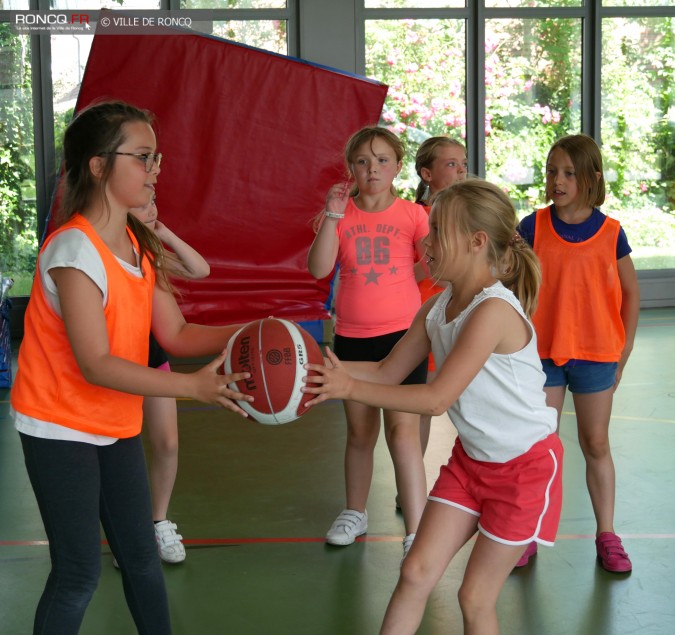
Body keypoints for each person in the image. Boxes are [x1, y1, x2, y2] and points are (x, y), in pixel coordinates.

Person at [10, 100, 253, 634]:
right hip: (58, 426)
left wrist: (252, 333)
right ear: (98, 166)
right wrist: (192, 384)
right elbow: (96, 363)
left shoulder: (136, 243)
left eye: (156, 158)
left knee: (141, 559)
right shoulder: (74, 248)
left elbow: (176, 334)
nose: (155, 170)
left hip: (113, 422)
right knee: (77, 574)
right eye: (143, 157)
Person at [303, 179, 563, 635]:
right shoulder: (436, 308)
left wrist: (346, 388)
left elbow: (436, 398)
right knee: (416, 573)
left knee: (474, 597)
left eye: (439, 230)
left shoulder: (493, 311)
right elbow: (386, 371)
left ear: (476, 242)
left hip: (523, 470)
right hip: (472, 465)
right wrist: (322, 369)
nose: (427, 240)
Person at [517, 133, 640, 572]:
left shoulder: (611, 232)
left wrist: (620, 355)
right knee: (539, 447)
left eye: (568, 172)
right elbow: (513, 285)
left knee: (595, 443)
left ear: (591, 178)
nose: (557, 180)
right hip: (542, 356)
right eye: (552, 171)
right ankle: (526, 532)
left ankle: (607, 534)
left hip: (596, 355)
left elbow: (630, 295)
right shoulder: (532, 227)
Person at [307, 126, 429, 557]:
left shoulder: (413, 215)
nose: (372, 168)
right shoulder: (341, 216)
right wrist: (334, 216)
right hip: (352, 339)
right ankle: (355, 512)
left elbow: (435, 261)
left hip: (404, 338)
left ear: (398, 166)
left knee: (403, 432)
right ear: (351, 168)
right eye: (362, 161)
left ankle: (416, 527)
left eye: (381, 160)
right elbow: (319, 269)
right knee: (360, 433)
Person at [128, 197, 210, 564]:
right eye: (143, 203)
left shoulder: (149, 252)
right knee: (120, 451)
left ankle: (157, 521)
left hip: (152, 359)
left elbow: (200, 269)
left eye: (155, 200)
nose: (153, 206)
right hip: (113, 364)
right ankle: (127, 533)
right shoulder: (99, 249)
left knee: (167, 444)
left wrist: (163, 232)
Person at [413, 136, 467, 460]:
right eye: (451, 164)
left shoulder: (468, 215)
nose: (460, 171)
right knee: (422, 403)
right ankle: (412, 483)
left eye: (463, 165)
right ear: (426, 174)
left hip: (464, 315)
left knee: (469, 398)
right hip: (426, 319)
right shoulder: (417, 216)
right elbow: (423, 271)